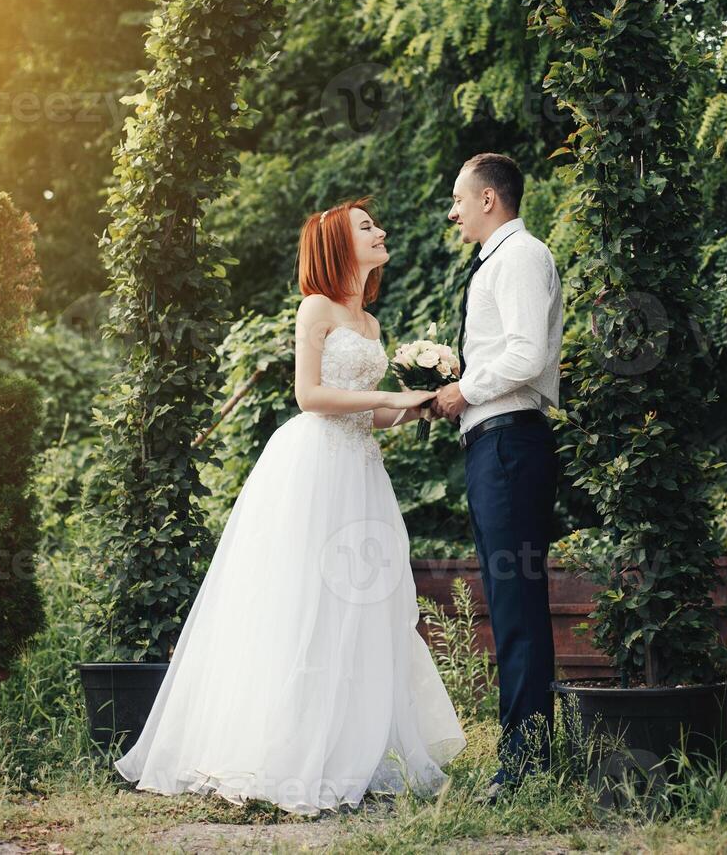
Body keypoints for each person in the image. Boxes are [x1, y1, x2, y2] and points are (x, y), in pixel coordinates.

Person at [114, 197, 467, 816]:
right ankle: (279, 750)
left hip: (361, 471)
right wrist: (389, 393)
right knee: (303, 600)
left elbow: (375, 414)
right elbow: (310, 395)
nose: (380, 231)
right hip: (314, 466)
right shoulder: (317, 309)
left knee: (360, 604)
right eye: (367, 227)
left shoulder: (373, 326)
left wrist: (417, 405)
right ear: (337, 244)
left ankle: (345, 746)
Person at [430, 152, 564, 805]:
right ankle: (528, 755)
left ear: (489, 199)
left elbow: (526, 353)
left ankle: (525, 765)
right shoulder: (501, 260)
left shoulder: (518, 256)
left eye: (459, 199)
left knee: (516, 609)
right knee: (512, 606)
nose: (453, 212)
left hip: (510, 444)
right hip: (497, 446)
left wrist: (463, 389)